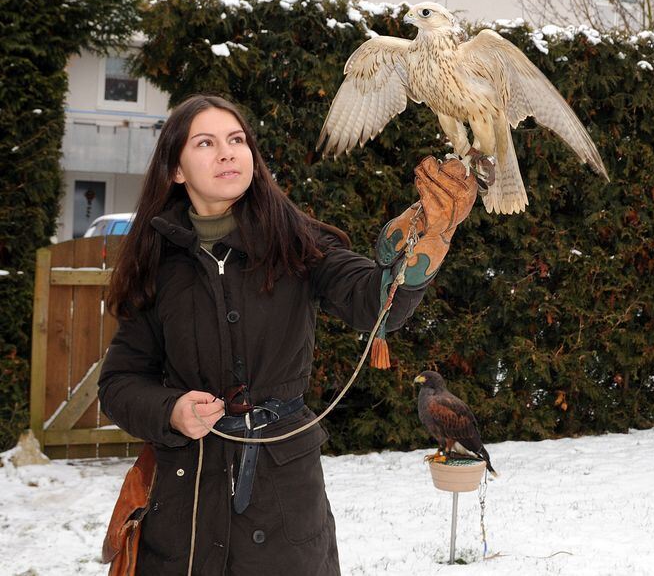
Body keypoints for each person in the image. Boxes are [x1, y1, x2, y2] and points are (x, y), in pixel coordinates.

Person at [98, 94, 478, 575]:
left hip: (284, 502)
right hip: (188, 502)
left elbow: (373, 302)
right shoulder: (157, 262)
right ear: (176, 170)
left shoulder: (296, 241)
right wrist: (170, 410)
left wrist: (426, 243)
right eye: (206, 143)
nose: (227, 153)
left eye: (237, 140)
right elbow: (118, 385)